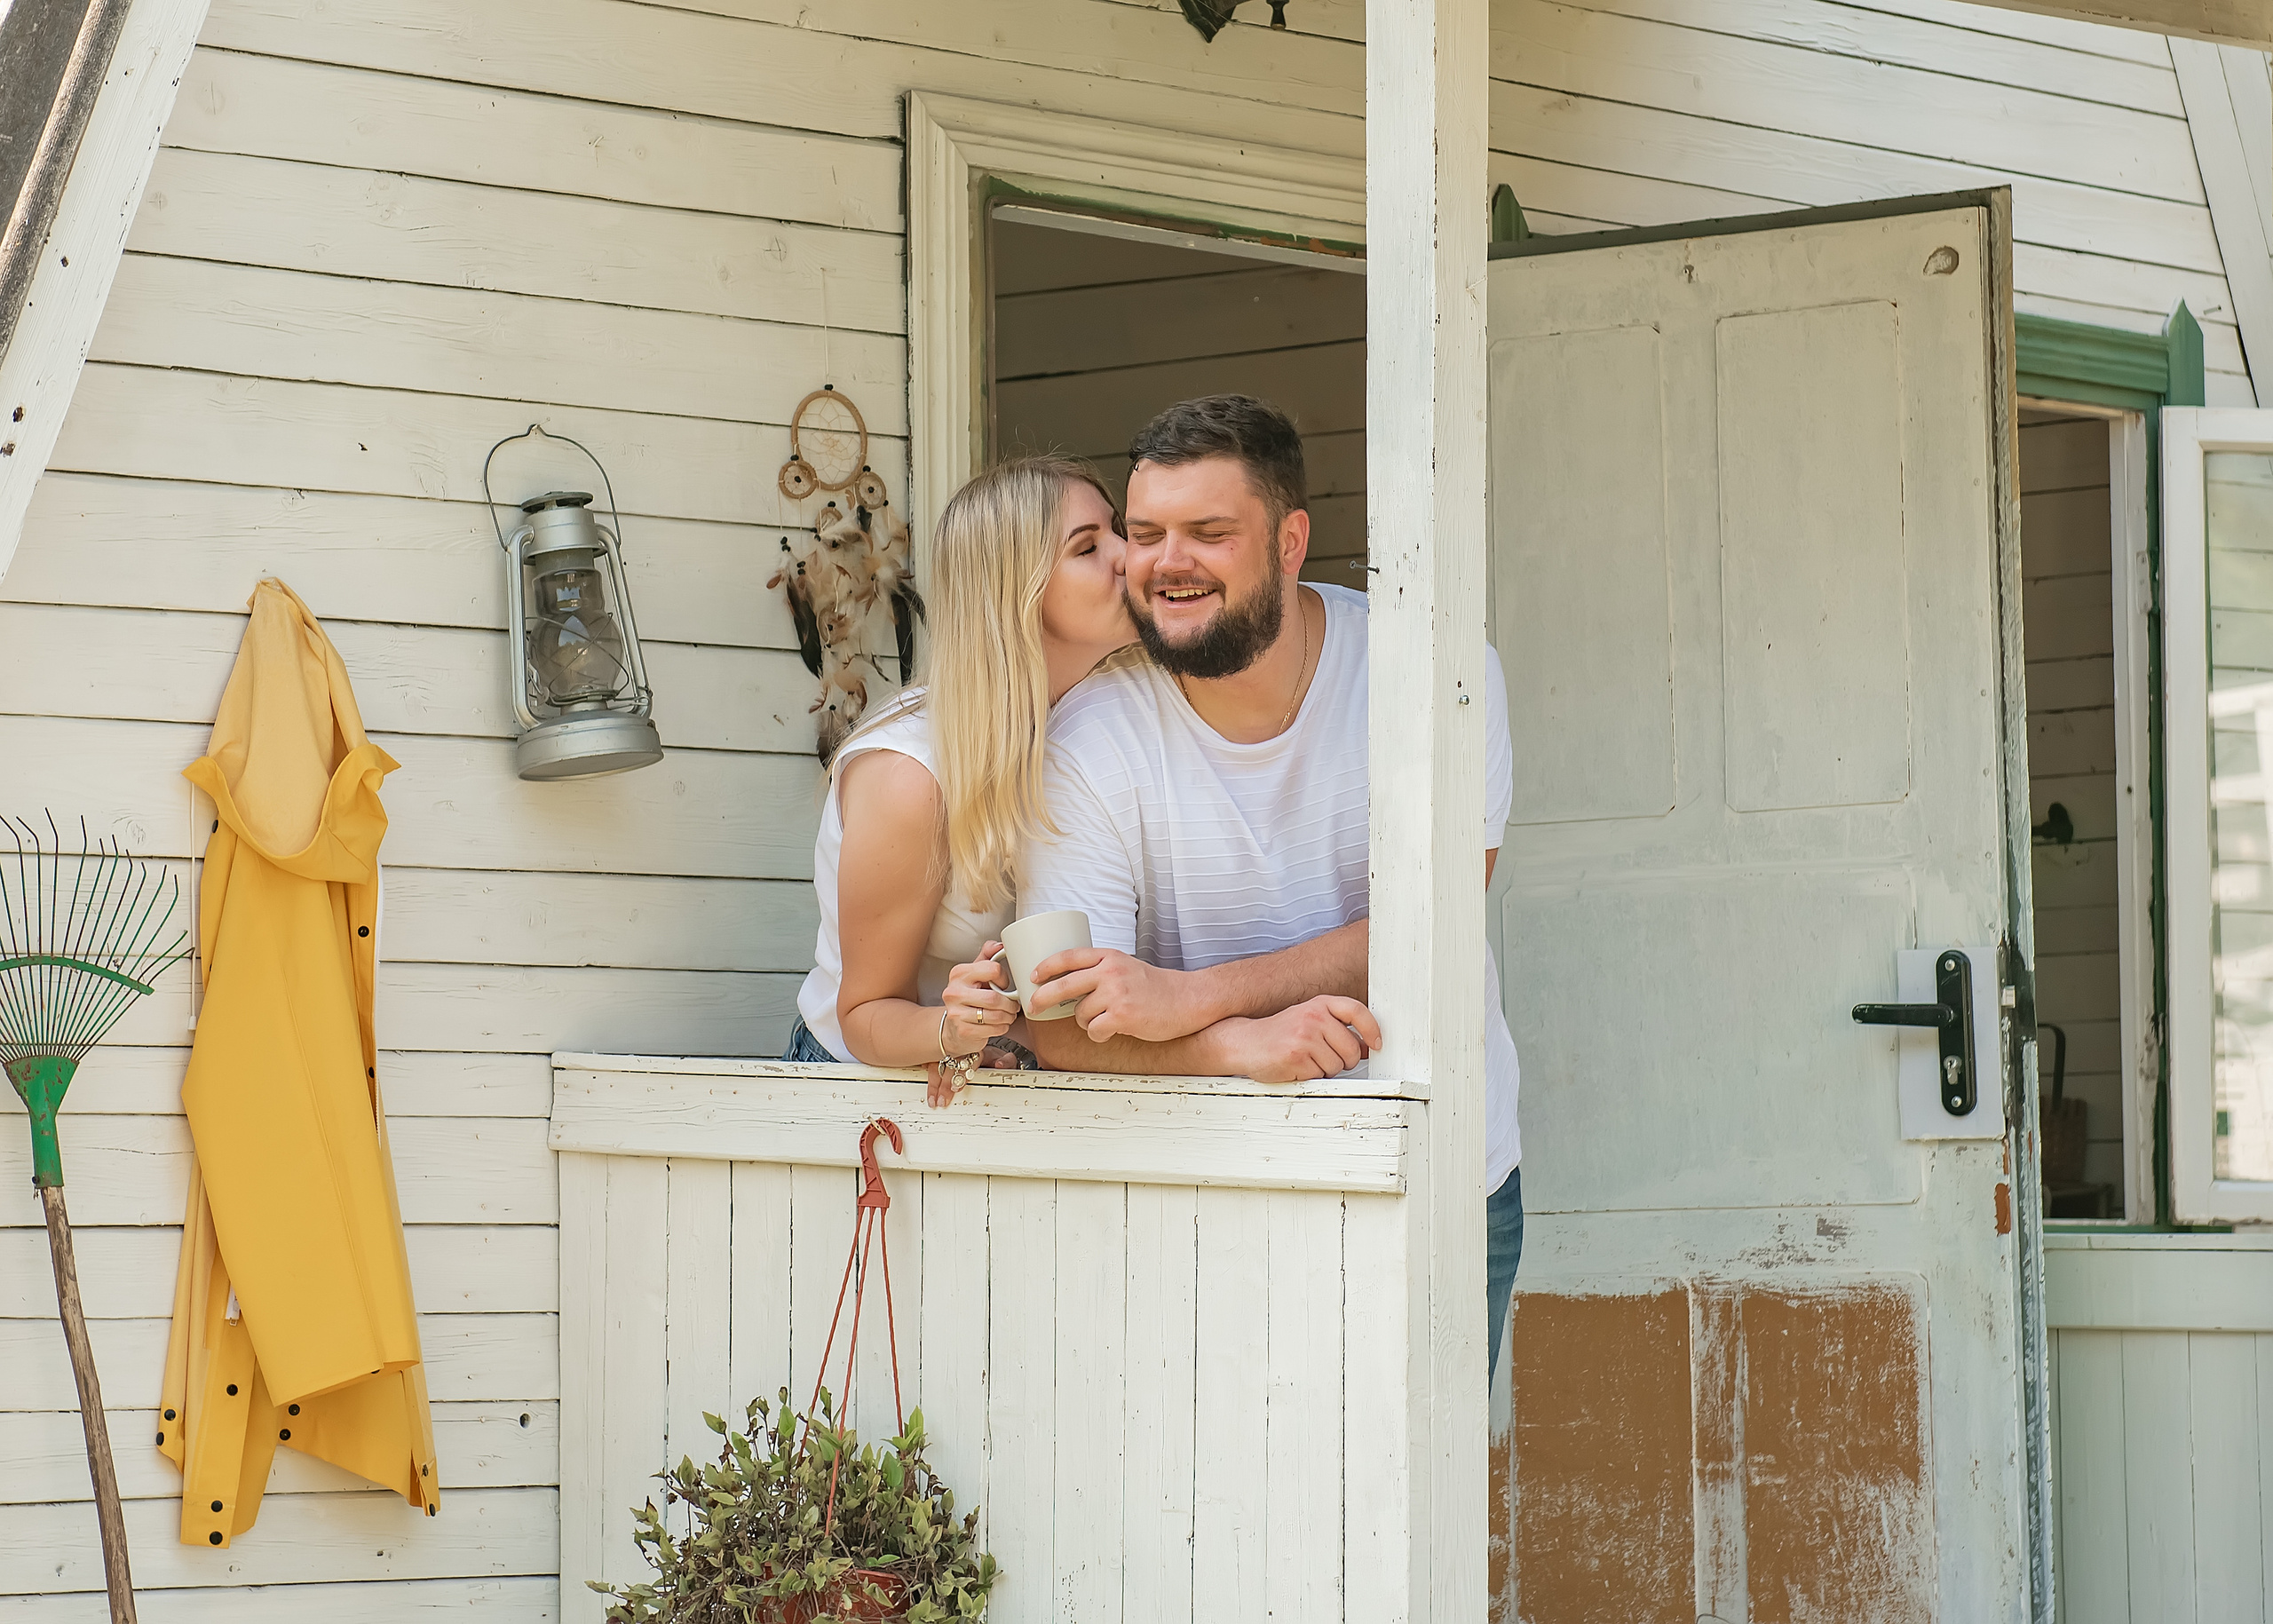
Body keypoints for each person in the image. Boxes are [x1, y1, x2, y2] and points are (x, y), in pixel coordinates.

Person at [1016, 395, 1526, 1374]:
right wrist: (1236, 1045)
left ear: (1289, 540)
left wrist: (1196, 996)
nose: (1168, 562)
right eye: (1145, 532)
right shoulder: (1087, 739)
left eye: (1210, 532)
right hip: (1203, 1185)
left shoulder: (1434, 673)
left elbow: (1437, 920)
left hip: (1450, 1170)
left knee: (1432, 1518)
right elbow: (1054, 1023)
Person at [782, 456, 1131, 1107]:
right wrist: (947, 1030)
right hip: (852, 1098)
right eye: (1088, 546)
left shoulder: (1105, 720)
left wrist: (997, 1035)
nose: (1129, 555)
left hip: (994, 1085)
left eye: (1119, 531)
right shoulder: (910, 775)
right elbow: (863, 1014)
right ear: (1016, 589)